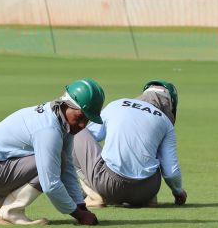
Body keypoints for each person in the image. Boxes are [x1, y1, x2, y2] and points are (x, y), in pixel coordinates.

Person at [0, 79, 105, 226]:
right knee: (56, 162)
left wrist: (80, 205)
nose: (83, 125)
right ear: (66, 105)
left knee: (61, 161)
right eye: (80, 117)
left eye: (87, 120)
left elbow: (69, 167)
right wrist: (78, 214)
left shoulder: (60, 120)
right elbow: (50, 184)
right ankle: (10, 213)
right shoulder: (48, 130)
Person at [73, 80, 187, 208]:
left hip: (108, 185)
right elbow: (171, 171)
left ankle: (94, 195)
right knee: (154, 152)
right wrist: (178, 192)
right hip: (147, 191)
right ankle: (149, 200)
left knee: (77, 132)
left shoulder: (116, 105)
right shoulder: (166, 122)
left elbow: (92, 136)